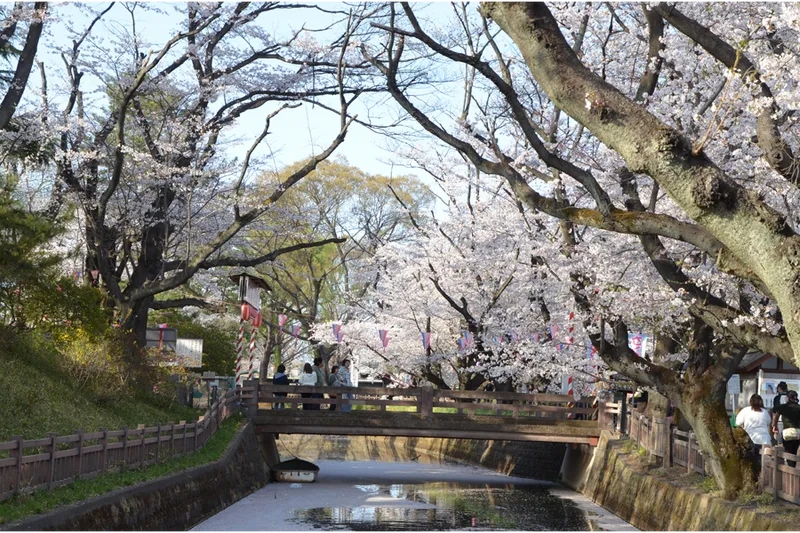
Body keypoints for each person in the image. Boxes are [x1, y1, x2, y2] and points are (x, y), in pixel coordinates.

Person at [735, 394, 772, 461]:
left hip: (751, 440)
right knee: (764, 463)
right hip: (765, 440)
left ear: (751, 402)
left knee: (752, 462)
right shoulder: (765, 412)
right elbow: (768, 422)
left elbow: (737, 423)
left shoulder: (745, 410)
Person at [773, 390, 800, 467]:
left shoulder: (783, 407)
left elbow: (776, 416)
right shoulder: (798, 407)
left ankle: (791, 467)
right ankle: (793, 467)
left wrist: (775, 426)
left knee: (788, 452)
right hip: (797, 433)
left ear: (787, 398)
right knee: (794, 451)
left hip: (787, 433)